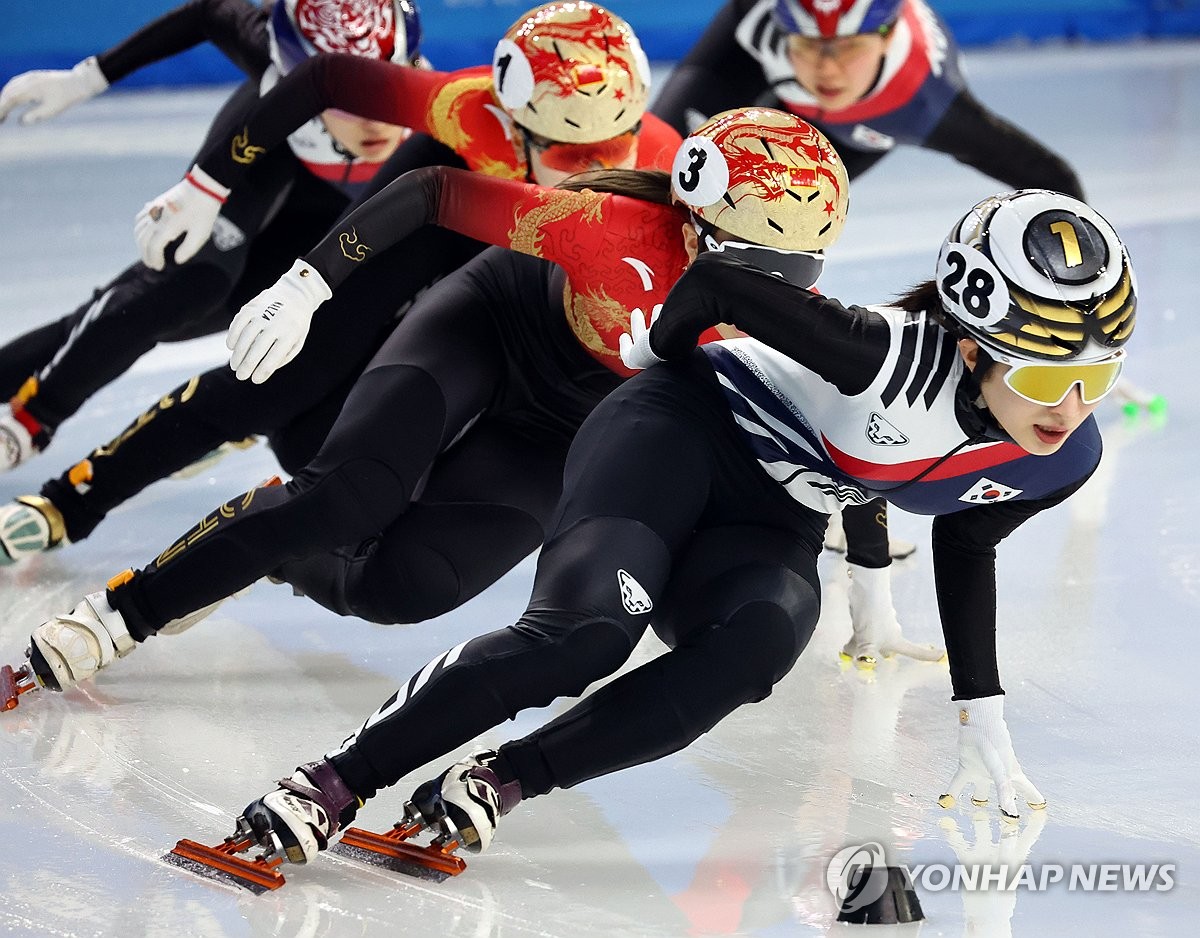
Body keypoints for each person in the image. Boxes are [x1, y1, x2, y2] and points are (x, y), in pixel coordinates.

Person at [212, 186, 1133, 865]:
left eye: (1098, 377)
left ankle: (504, 777)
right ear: (973, 350)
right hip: (678, 432)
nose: (1072, 408)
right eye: (1051, 379)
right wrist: (655, 356)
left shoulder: (1063, 454)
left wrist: (984, 723)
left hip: (771, 516)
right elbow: (719, 283)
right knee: (582, 639)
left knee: (752, 654)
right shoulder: (875, 352)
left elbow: (965, 542)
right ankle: (333, 780)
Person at [15, 106, 856, 701]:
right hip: (493, 322)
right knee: (347, 497)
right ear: (696, 225)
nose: (769, 290)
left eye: (798, 266)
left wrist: (873, 575)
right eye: (752, 260)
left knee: (403, 586)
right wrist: (305, 287)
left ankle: (266, 545)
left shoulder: (789, 322)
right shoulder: (606, 224)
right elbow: (431, 192)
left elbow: (841, 444)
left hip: (574, 421)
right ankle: (124, 610)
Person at [0, 2, 676, 579]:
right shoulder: (462, 110)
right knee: (279, 379)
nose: (596, 172)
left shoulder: (662, 162)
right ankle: (70, 501)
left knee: (349, 439)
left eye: (618, 145)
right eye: (567, 154)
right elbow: (322, 79)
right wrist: (210, 193)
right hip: (442, 203)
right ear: (513, 120)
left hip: (538, 263)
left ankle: (281, 513)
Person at [651, 0, 1089, 611]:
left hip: (857, 124)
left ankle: (793, 447)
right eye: (806, 44)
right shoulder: (756, 24)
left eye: (848, 46)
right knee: (661, 184)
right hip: (764, 78)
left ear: (887, 34)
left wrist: (1069, 327)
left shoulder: (920, 97)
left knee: (775, 243)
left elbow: (1050, 176)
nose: (826, 66)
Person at [0, 0, 426, 473]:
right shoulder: (270, 56)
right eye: (346, 96)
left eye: (385, 85)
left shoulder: (439, 111)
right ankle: (32, 420)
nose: (374, 119)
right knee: (179, 290)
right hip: (261, 159)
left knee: (270, 311)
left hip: (331, 205)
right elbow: (208, 12)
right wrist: (87, 78)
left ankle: (249, 412)